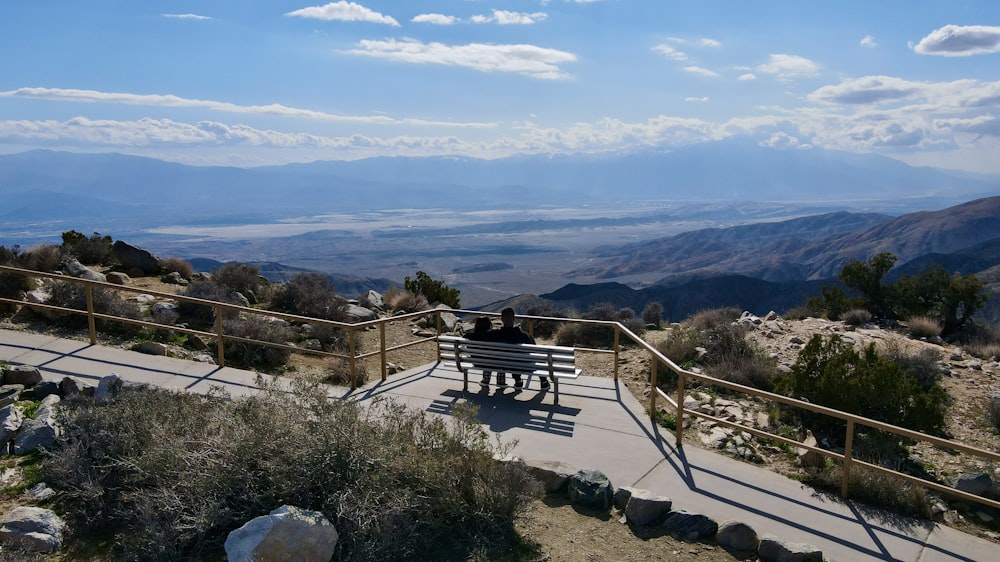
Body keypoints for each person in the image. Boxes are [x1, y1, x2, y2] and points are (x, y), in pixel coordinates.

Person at [494, 307, 549, 389]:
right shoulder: (524, 336)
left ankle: (518, 380)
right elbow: (535, 351)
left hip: (503, 365)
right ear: (514, 319)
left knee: (512, 359)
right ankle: (544, 381)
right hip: (525, 366)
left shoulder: (496, 335)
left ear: (502, 319)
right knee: (538, 357)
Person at [466, 316, 503, 386]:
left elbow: (464, 337)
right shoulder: (494, 335)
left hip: (476, 361)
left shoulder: (471, 336)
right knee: (497, 358)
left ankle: (486, 379)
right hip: (495, 363)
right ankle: (501, 381)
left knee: (486, 358)